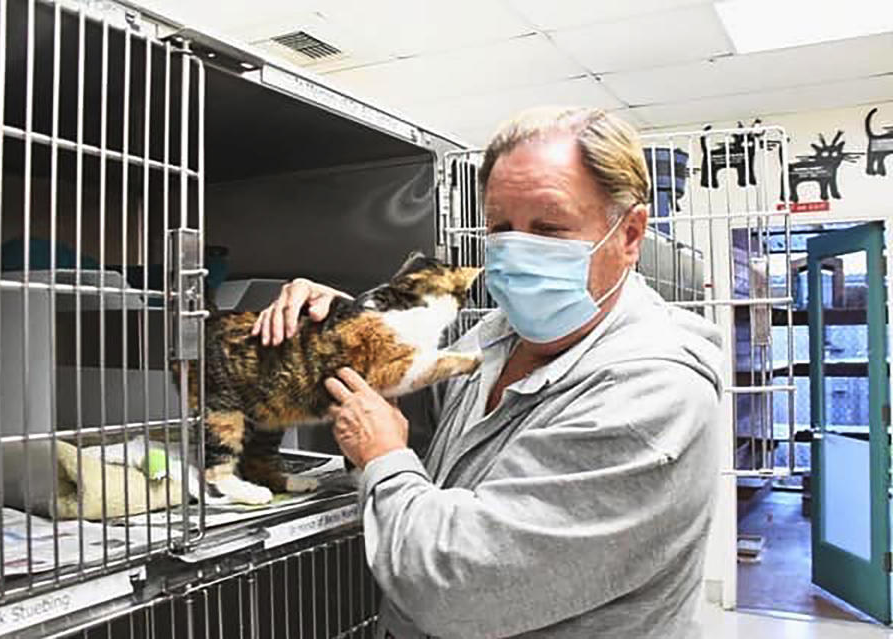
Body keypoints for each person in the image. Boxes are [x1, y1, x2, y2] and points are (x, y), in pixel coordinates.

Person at [251, 107, 722, 639]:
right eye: (500, 226)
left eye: (548, 228)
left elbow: (453, 587)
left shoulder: (652, 397)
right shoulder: (505, 332)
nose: (518, 251)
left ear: (630, 233)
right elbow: (434, 420)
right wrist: (350, 330)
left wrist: (381, 455)